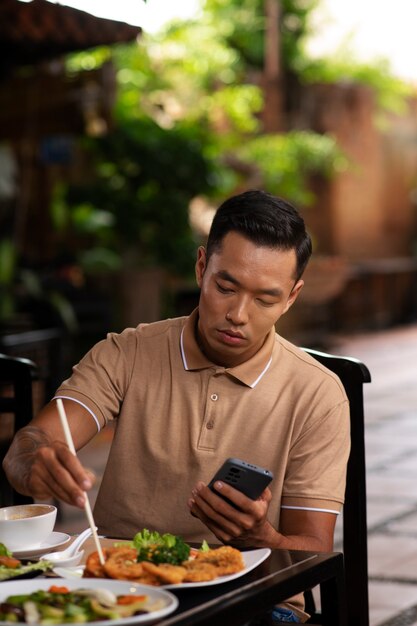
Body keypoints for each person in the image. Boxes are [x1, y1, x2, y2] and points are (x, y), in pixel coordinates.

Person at [3, 189, 349, 623]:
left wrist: (259, 535)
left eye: (265, 299)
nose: (239, 314)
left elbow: (312, 552)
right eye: (226, 286)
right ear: (202, 267)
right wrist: (37, 456)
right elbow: (27, 447)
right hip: (120, 590)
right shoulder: (127, 353)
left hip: (253, 602)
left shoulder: (317, 393)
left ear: (292, 297)